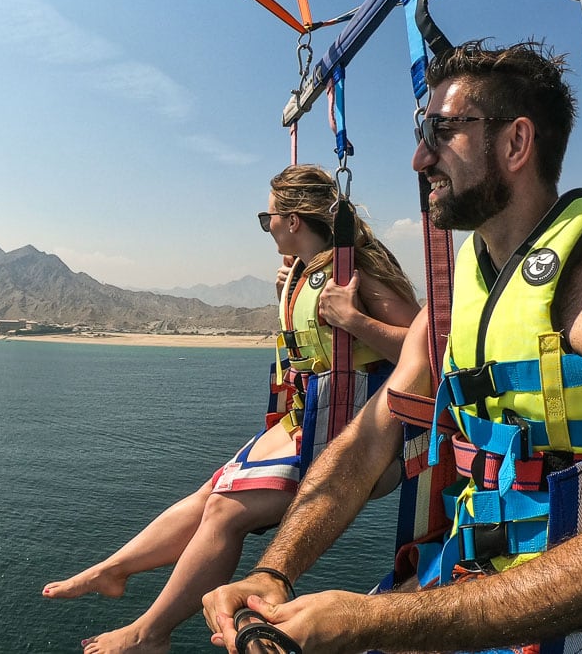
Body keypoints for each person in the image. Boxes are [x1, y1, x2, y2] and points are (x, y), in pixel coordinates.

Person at [203, 40, 582, 653]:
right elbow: (367, 439)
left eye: (443, 131)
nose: (418, 157)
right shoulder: (463, 281)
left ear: (516, 143)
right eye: (422, 131)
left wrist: (369, 621)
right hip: (462, 585)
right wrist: (272, 572)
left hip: (566, 626)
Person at [43, 163, 421, 654]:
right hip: (308, 422)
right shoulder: (306, 273)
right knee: (212, 491)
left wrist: (353, 319)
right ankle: (114, 570)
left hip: (355, 442)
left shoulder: (356, 274)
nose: (266, 231)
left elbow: (428, 347)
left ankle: (149, 633)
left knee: (225, 512)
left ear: (292, 221)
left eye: (267, 221)